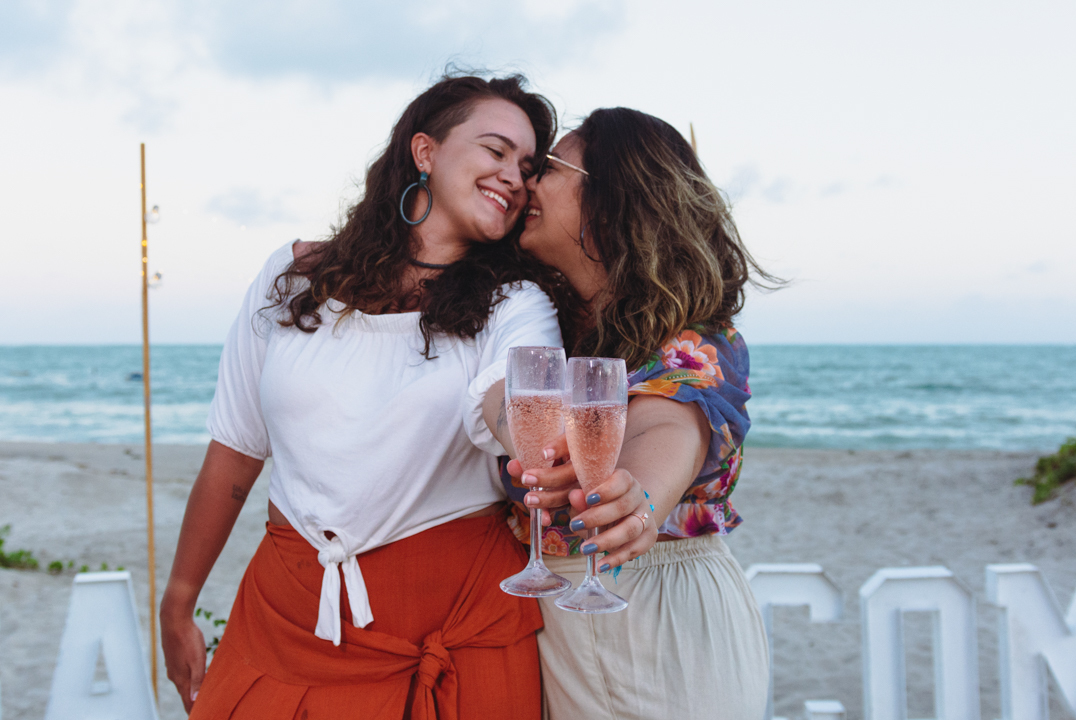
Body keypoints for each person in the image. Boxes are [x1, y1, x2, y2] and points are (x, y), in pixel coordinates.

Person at [160, 74, 564, 719]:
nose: (514, 175)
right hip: (284, 614)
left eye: (526, 165)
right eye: (495, 150)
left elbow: (511, 394)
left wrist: (535, 433)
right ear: (425, 152)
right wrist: (179, 599)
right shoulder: (290, 277)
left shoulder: (515, 303)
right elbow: (235, 450)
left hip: (453, 630)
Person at [485, 107, 775, 719]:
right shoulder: (553, 334)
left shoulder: (697, 341)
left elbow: (669, 424)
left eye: (552, 167)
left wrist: (636, 496)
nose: (528, 183)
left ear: (613, 200)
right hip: (562, 632)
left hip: (660, 621)